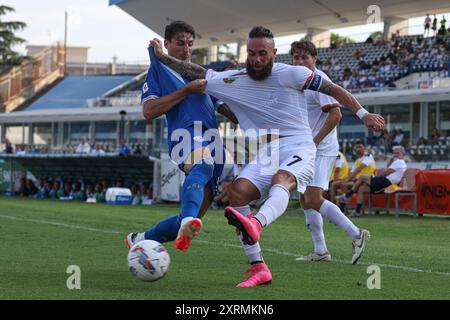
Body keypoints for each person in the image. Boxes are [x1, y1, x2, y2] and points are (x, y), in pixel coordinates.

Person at [149, 26, 384, 287]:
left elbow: (334, 90)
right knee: (237, 193)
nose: (257, 59)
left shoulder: (293, 73)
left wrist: (364, 115)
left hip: (301, 144)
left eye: (262, 53)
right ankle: (259, 267)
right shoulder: (236, 78)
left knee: (282, 180)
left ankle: (258, 223)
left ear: (274, 53)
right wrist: (161, 57)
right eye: (251, 53)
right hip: (269, 149)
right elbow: (197, 74)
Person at [124, 21, 237, 253]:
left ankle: (140, 238)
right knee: (202, 165)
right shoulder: (159, 72)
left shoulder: (199, 74)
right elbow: (149, 111)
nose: (186, 49)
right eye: (180, 43)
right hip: (184, 136)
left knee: (192, 217)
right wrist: (186, 90)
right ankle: (188, 222)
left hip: (213, 142)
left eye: (190, 44)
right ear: (166, 44)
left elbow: (226, 109)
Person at [290, 40, 369, 263]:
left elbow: (336, 115)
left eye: (305, 57)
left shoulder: (319, 81)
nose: (299, 61)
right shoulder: (299, 82)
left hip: (321, 148)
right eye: (296, 57)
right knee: (305, 198)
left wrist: (313, 143)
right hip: (308, 146)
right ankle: (321, 250)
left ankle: (356, 234)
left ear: (315, 59)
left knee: (314, 198)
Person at [338, 146, 407, 216]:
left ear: (403, 153)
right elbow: (388, 167)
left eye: (397, 152)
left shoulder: (399, 162)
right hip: (385, 182)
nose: (395, 154)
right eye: (394, 153)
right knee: (361, 189)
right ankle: (357, 211)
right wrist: (392, 158)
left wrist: (377, 177)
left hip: (386, 181)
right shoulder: (398, 162)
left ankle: (347, 196)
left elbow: (386, 172)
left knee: (362, 177)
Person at [330, 141, 377, 207]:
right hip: (356, 181)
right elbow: (352, 173)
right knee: (333, 185)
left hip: (366, 181)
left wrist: (346, 180)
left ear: (364, 148)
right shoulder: (357, 160)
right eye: (357, 147)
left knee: (344, 184)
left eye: (360, 147)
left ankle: (343, 207)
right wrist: (347, 179)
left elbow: (358, 170)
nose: (358, 149)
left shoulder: (368, 156)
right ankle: (333, 206)